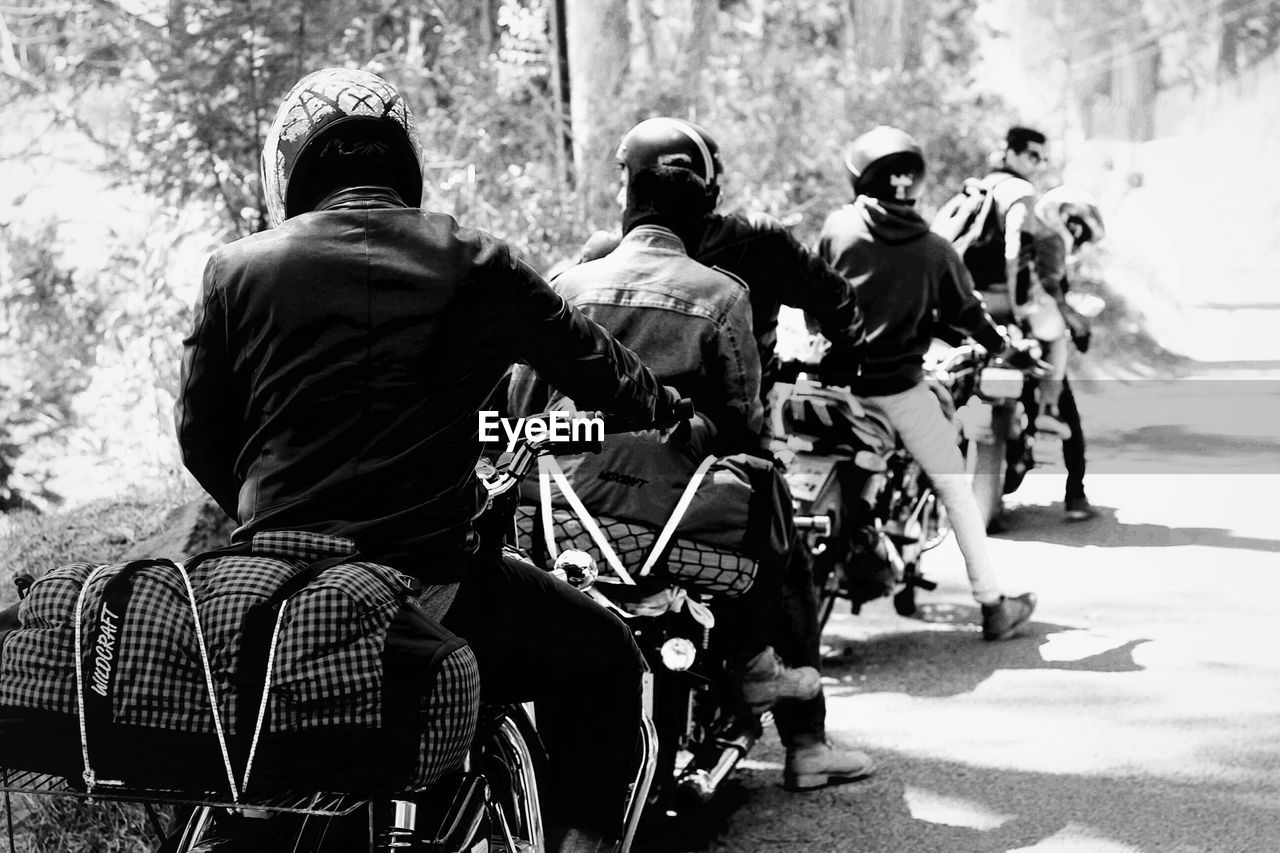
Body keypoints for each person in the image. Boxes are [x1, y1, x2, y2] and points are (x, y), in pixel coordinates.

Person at [175, 67, 684, 853]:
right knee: (608, 658)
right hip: (435, 585)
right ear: (403, 162)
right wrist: (666, 408)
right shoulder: (476, 261)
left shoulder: (235, 269)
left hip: (277, 590)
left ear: (291, 167)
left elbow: (201, 438)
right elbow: (606, 371)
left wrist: (275, 514)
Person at [575, 117, 873, 792]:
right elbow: (832, 301)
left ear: (628, 186)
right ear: (709, 186)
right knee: (783, 556)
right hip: (712, 456)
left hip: (598, 473)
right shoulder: (750, 254)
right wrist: (844, 355)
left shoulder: (595, 260)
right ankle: (806, 744)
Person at [508, 150, 823, 725]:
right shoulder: (722, 294)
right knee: (771, 493)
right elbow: (741, 415)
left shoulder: (566, 284)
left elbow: (521, 402)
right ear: (699, 225)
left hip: (563, 499)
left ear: (627, 212)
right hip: (674, 501)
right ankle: (755, 667)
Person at [816, 125, 1036, 642]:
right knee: (955, 490)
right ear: (914, 184)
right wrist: (1009, 348)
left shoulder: (838, 229)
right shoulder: (935, 249)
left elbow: (815, 298)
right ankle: (992, 606)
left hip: (832, 388)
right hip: (899, 392)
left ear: (859, 177)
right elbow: (972, 320)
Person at [1028, 185, 1107, 521]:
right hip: (1038, 334)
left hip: (995, 328)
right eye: (1079, 229)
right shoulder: (1051, 240)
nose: (1077, 237)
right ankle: (1076, 495)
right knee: (1069, 415)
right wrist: (1075, 320)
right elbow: (1050, 287)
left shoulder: (1029, 235)